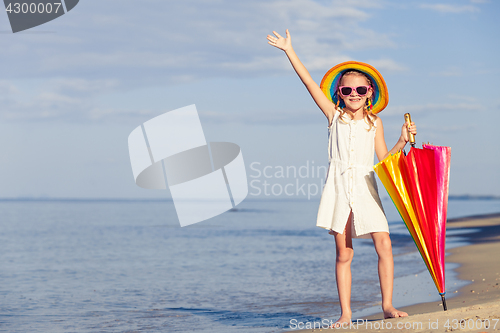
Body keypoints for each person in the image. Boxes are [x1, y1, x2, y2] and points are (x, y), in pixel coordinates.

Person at [267, 29, 416, 326]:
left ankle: (387, 305)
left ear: (370, 92)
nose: (354, 95)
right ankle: (346, 314)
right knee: (343, 252)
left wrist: (402, 142)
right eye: (347, 90)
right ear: (339, 93)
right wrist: (289, 51)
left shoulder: (375, 122)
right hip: (337, 187)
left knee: (384, 243)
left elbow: (385, 160)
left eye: (360, 90)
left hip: (366, 185)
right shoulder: (333, 115)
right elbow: (309, 82)